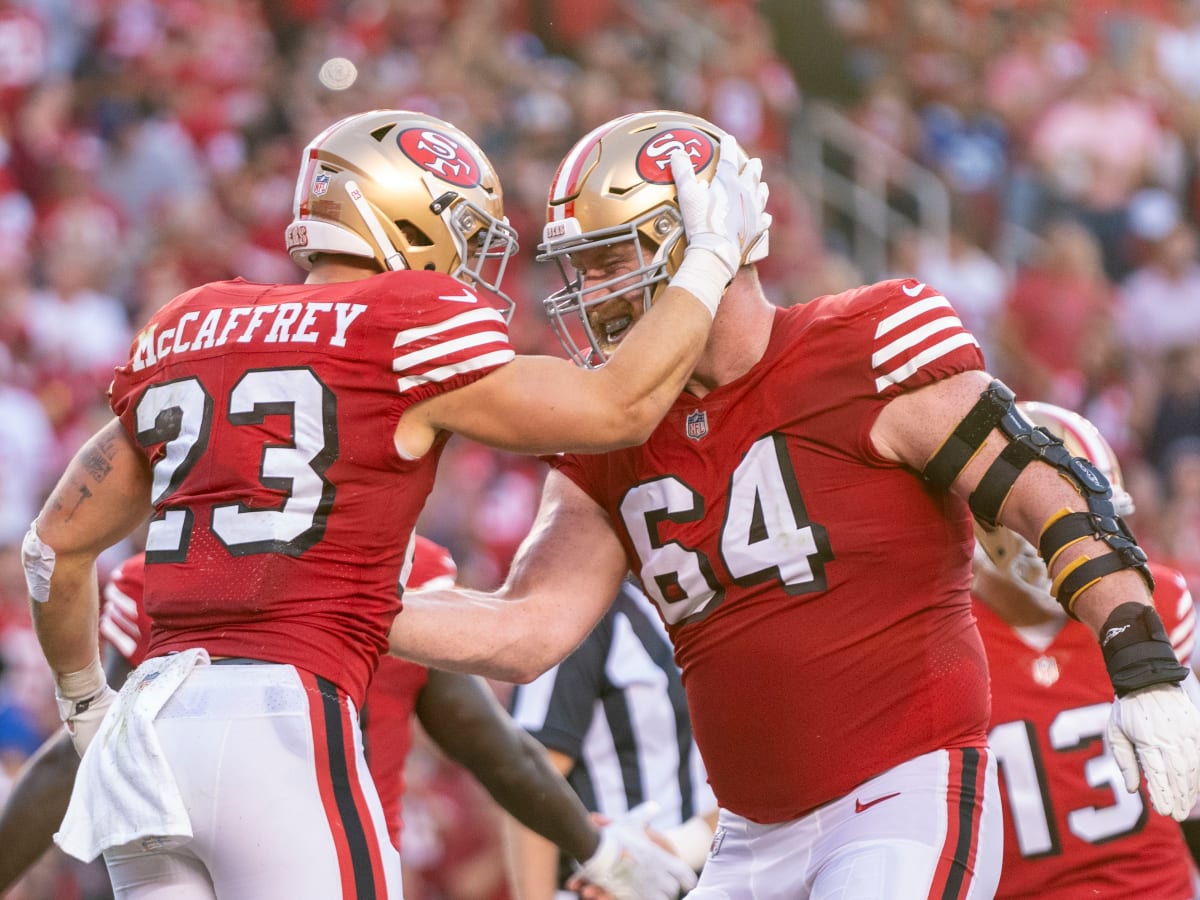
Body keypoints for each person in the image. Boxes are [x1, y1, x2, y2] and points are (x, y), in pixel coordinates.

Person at [389, 109, 1200, 899]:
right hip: (750, 836)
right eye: (583, 269)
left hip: (902, 796)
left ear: (697, 240)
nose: (590, 294)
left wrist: (1140, 662)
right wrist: (346, 602)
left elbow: (1046, 496)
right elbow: (527, 629)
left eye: (609, 261)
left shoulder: (866, 346)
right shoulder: (608, 439)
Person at [20, 108, 767, 899]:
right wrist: (711, 256)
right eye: (463, 231)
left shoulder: (189, 321)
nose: (470, 262)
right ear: (405, 217)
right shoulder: (402, 319)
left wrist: (85, 704)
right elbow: (616, 409)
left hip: (149, 733)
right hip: (282, 714)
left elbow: (52, 549)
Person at [0, 538, 659, 898]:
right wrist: (600, 849)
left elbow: (85, 750)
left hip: (168, 847)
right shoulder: (399, 569)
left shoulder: (161, 572)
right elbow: (493, 749)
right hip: (335, 860)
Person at [972, 401, 1199, 899]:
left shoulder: (1158, 602)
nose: (1098, 542)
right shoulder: (941, 635)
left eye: (1104, 521)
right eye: (1077, 526)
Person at [505, 580, 719, 899]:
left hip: (707, 878)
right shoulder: (579, 616)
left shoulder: (701, 597)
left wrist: (681, 845)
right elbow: (531, 783)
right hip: (603, 888)